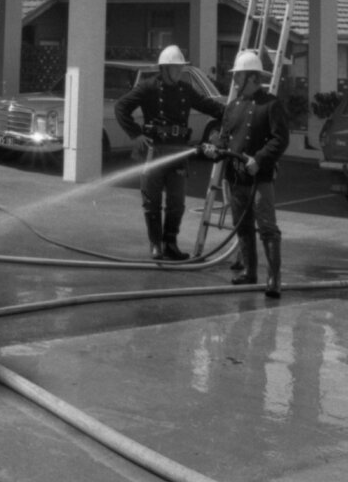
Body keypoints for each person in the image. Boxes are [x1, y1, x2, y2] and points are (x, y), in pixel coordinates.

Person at [115, 44, 225, 261]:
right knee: (152, 201)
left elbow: (208, 105)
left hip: (178, 151)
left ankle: (170, 244)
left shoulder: (185, 89)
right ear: (164, 68)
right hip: (155, 151)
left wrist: (232, 112)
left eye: (180, 67)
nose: (179, 71)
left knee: (177, 202)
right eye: (176, 67)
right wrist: (136, 134)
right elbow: (121, 107)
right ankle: (156, 244)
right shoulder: (148, 87)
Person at [213, 48, 289, 299]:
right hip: (236, 179)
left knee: (267, 227)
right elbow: (226, 139)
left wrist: (260, 159)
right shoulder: (232, 106)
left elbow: (280, 139)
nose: (234, 80)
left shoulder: (271, 105)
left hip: (260, 178)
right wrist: (215, 148)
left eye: (239, 75)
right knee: (242, 226)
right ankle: (249, 271)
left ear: (252, 77)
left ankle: (274, 279)